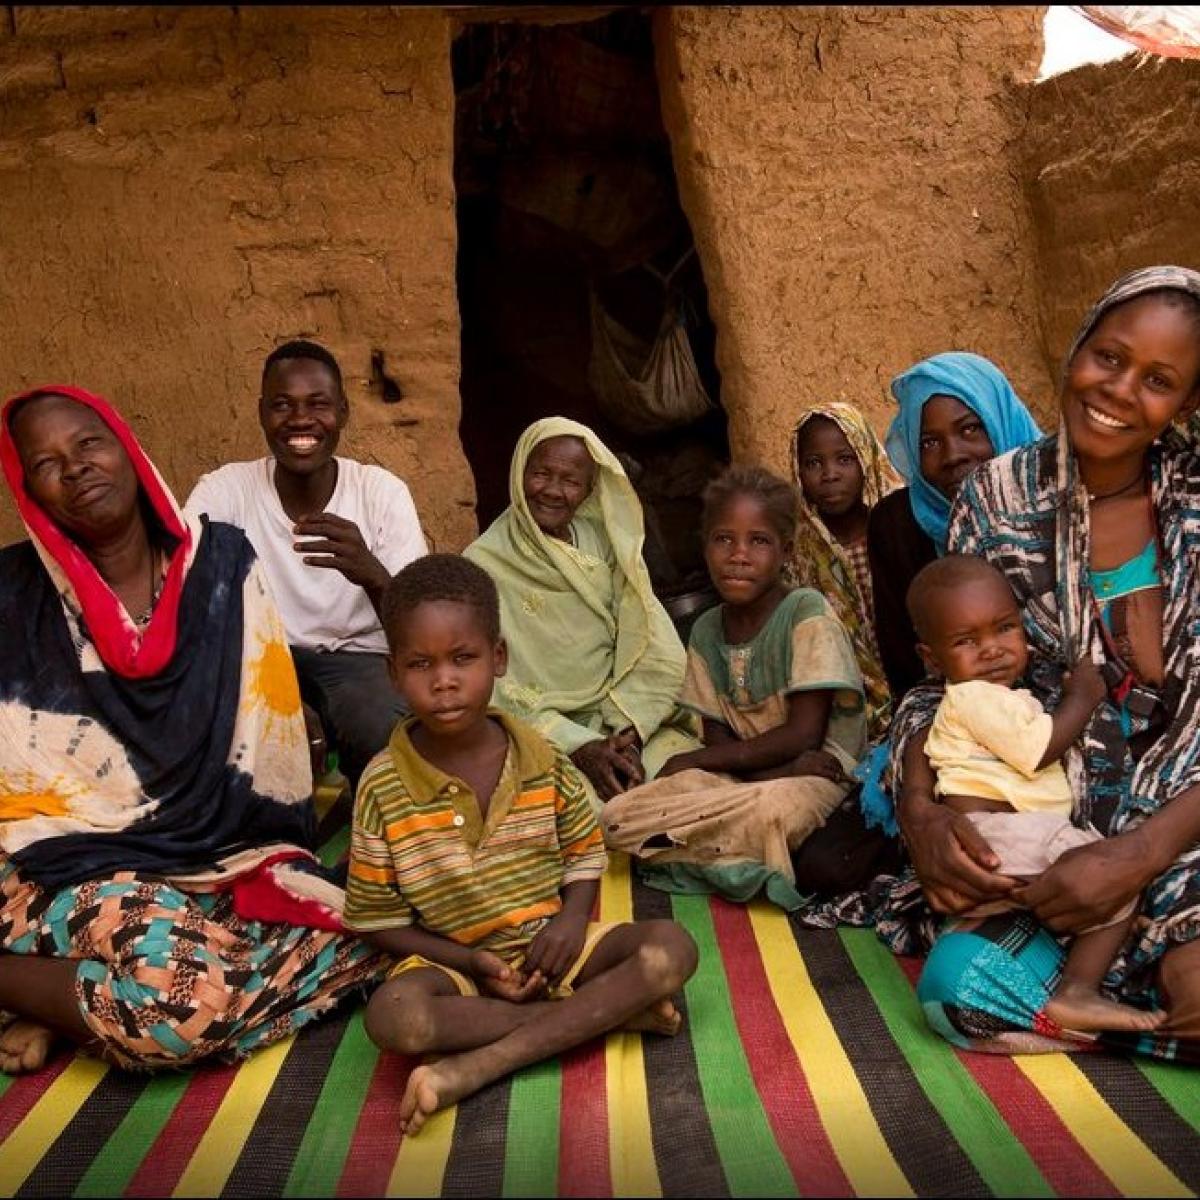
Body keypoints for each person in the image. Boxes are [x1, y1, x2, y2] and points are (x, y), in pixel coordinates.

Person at [0, 386, 382, 1074]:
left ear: (127, 447)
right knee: (177, 1008)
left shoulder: (224, 567)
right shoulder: (10, 597)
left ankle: (64, 1003)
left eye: (88, 443)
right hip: (62, 860)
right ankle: (66, 986)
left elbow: (269, 750)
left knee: (378, 928)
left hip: (222, 851)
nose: (77, 467)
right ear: (29, 491)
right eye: (47, 463)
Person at [888, 265, 1200, 1061]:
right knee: (958, 989)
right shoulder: (994, 498)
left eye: (1159, 380)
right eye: (1109, 356)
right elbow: (944, 688)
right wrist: (922, 813)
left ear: (1187, 405)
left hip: (1184, 824)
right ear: (1075, 349)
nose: (1121, 389)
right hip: (1059, 835)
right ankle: (1119, 993)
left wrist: (1140, 852)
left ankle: (1135, 987)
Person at [344, 554, 698, 1135]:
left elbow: (585, 853)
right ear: (392, 674)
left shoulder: (542, 757)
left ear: (499, 658)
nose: (445, 681)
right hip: (453, 965)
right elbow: (375, 919)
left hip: (554, 950)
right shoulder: (383, 785)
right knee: (395, 1019)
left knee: (672, 948)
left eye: (464, 658)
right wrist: (469, 960)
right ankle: (603, 1016)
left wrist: (570, 921)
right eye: (420, 664)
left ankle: (479, 1066)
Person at [908, 555, 1162, 1033]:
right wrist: (1083, 696)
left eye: (1004, 628)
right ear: (931, 658)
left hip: (1008, 836)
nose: (991, 650)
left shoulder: (997, 698)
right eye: (966, 641)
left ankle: (1099, 944)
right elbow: (1039, 749)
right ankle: (1077, 993)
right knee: (1116, 873)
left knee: (1103, 891)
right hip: (1005, 834)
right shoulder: (975, 697)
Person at [600, 465, 868, 909]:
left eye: (758, 541)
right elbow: (719, 734)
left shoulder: (805, 611)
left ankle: (701, 855)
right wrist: (749, 772)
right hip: (754, 778)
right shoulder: (707, 629)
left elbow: (804, 735)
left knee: (772, 815)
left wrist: (693, 761)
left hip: (818, 778)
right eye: (724, 539)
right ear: (705, 548)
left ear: (784, 551)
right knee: (616, 818)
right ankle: (743, 862)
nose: (738, 554)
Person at [184, 339, 428, 791]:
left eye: (318, 404)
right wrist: (273, 685)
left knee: (381, 729)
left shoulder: (380, 493)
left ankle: (370, 840)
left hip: (359, 658)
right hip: (257, 657)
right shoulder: (226, 491)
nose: (300, 420)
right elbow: (189, 603)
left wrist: (370, 571)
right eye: (282, 405)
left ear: (344, 413)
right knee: (226, 726)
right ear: (261, 413)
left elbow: (421, 627)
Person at [463, 417, 698, 811]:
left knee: (686, 784)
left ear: (589, 490)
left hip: (621, 718)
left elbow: (653, 643)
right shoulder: (481, 566)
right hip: (542, 732)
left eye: (571, 481)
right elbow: (493, 688)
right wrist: (581, 746)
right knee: (583, 809)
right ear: (519, 473)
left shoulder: (606, 544)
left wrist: (629, 737)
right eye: (541, 474)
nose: (553, 491)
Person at [867, 352, 1042, 704]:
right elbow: (906, 668)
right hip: (951, 715)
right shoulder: (897, 526)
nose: (952, 455)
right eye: (929, 442)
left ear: (1001, 420)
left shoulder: (1054, 504)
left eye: (970, 429)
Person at [788, 402, 901, 738]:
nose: (830, 474)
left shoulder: (898, 529)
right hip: (848, 703)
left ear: (866, 458)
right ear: (797, 471)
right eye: (813, 463)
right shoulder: (800, 554)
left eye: (845, 459)